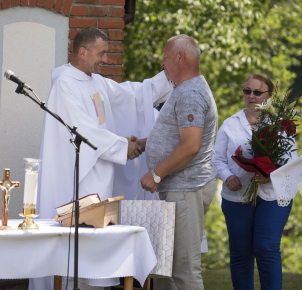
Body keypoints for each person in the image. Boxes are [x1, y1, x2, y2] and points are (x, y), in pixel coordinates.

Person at [31, 27, 173, 290]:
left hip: (99, 179)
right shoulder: (64, 84)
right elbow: (82, 130)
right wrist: (124, 147)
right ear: (82, 52)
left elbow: (132, 96)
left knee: (92, 256)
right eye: (102, 53)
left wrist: (169, 74)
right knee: (73, 255)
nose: (106, 59)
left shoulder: (96, 81)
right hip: (75, 179)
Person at [140, 35, 218, 290]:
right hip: (180, 189)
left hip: (185, 190)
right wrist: (145, 143)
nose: (162, 64)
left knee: (184, 269)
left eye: (164, 57)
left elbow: (191, 145)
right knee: (167, 269)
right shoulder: (185, 89)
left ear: (179, 57)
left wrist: (156, 174)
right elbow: (178, 134)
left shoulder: (191, 93)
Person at [212, 73, 298, 290]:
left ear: (268, 96)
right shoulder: (230, 124)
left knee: (266, 247)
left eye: (257, 92)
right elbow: (216, 158)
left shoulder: (280, 125)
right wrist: (227, 176)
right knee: (240, 252)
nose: (251, 96)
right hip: (237, 196)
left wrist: (271, 175)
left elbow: (291, 163)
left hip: (273, 196)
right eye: (247, 91)